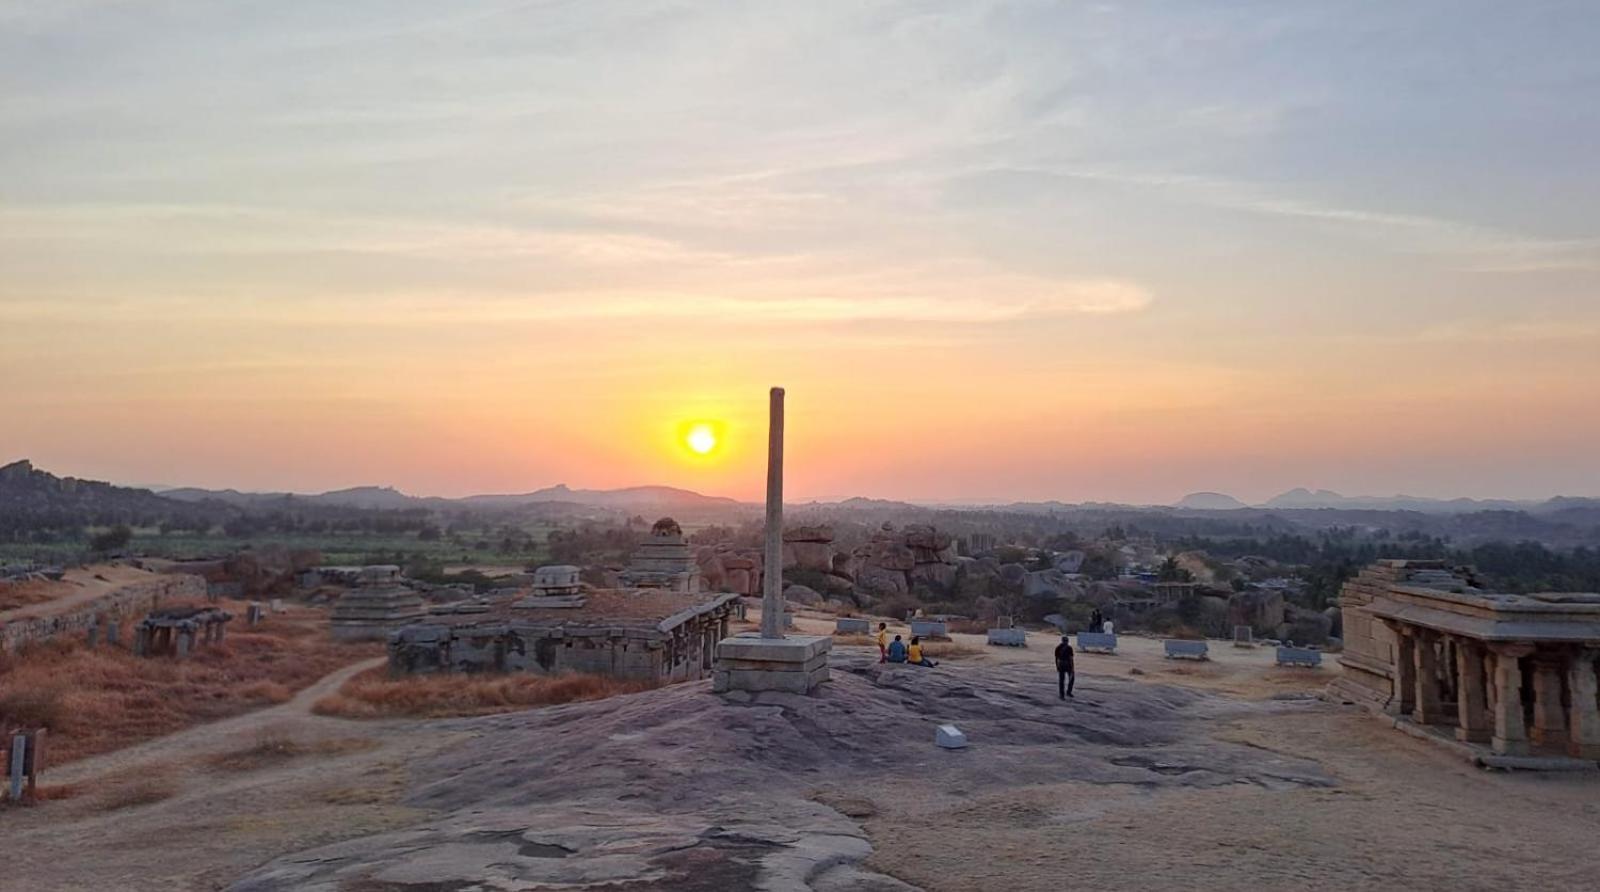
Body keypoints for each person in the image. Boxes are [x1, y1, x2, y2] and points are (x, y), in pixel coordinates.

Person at [1055, 635, 1075, 699]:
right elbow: (1071, 658)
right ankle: (1068, 692)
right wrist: (1072, 668)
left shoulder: (1058, 647)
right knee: (1071, 678)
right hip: (1068, 665)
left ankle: (1062, 695)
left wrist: (1057, 666)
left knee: (1062, 680)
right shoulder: (1069, 648)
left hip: (1061, 664)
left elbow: (1056, 659)